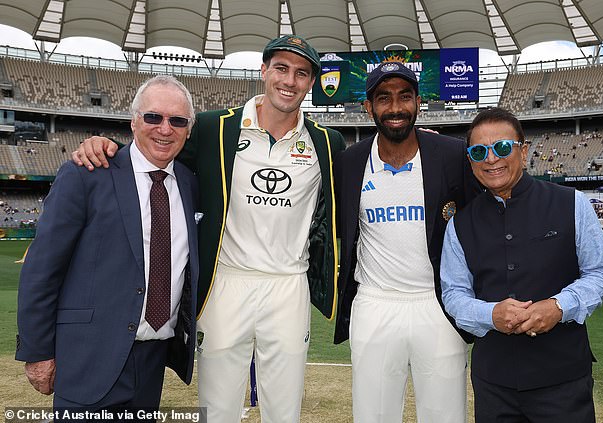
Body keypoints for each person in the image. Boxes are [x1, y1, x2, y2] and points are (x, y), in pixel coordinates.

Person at [72, 35, 346, 423]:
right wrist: (108, 146)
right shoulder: (213, 127)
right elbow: (157, 149)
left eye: (302, 73)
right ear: (264, 71)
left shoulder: (326, 142)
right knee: (218, 408)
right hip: (225, 281)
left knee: (284, 408)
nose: (290, 80)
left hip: (289, 282)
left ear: (311, 83)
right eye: (281, 68)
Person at [16, 75, 199, 413]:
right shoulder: (87, 173)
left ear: (189, 129)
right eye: (153, 117)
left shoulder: (190, 184)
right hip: (89, 356)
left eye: (178, 120)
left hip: (153, 362)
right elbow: (42, 269)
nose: (164, 128)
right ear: (133, 121)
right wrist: (37, 352)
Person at [441, 107, 603, 422]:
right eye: (480, 151)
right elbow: (453, 294)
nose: (491, 158)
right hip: (493, 384)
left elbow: (602, 274)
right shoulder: (460, 224)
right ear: (471, 160)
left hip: (563, 380)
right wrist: (490, 314)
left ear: (523, 152)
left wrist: (558, 306)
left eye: (503, 148)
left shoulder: (572, 203)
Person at [333, 61, 480, 423]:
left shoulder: (451, 154)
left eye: (405, 97)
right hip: (374, 303)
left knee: (445, 415)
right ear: (368, 107)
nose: (395, 107)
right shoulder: (350, 162)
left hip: (437, 305)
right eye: (384, 98)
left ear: (419, 103)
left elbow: (480, 222)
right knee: (373, 415)